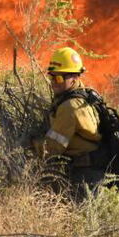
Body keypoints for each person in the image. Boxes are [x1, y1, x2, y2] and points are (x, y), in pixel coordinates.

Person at [31, 46, 107, 201]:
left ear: (74, 77)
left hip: (86, 175)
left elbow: (52, 148)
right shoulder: (82, 94)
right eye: (52, 76)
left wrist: (31, 144)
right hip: (88, 170)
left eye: (59, 78)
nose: (53, 82)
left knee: (81, 221)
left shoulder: (69, 107)